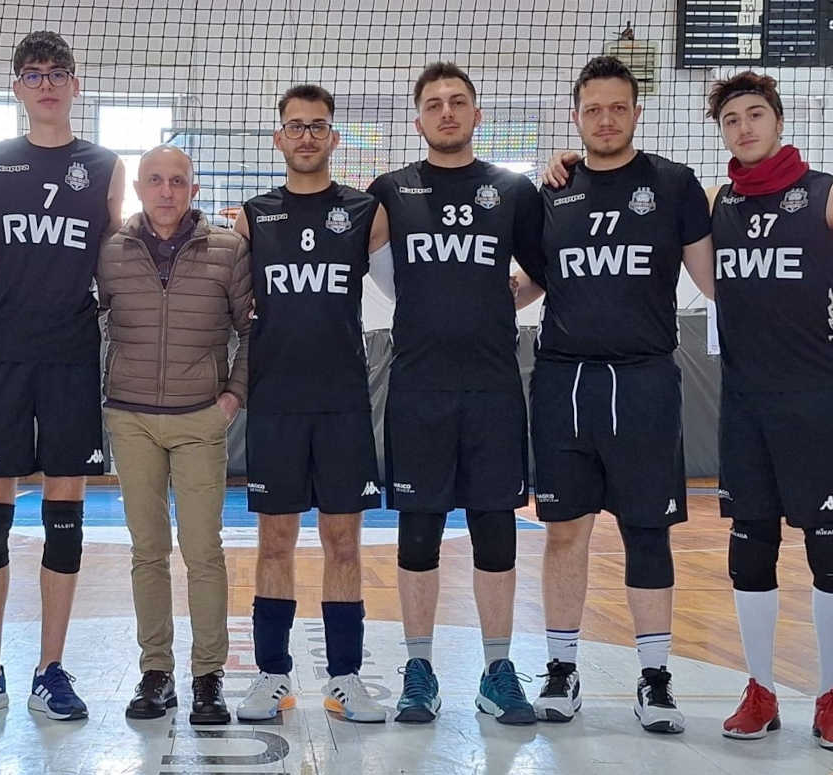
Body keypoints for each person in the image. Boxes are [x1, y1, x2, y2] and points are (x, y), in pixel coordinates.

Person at [516, 56, 714, 734]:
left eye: (617, 108)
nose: (605, 120)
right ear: (576, 116)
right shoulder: (549, 191)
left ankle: (655, 680)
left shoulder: (673, 184)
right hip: (564, 380)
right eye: (593, 109)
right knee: (564, 531)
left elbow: (720, 281)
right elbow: (534, 282)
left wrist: (814, 294)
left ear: (635, 113)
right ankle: (561, 670)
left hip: (644, 380)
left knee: (646, 530)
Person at [705, 71, 833, 752]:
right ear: (722, 132)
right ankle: (760, 691)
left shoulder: (830, 195)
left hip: (818, 400)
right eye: (731, 119)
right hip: (746, 404)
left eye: (755, 114)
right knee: (750, 552)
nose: (745, 127)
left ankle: (832, 697)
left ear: (778, 122)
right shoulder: (713, 202)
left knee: (830, 550)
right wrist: (569, 162)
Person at [0, 30, 125, 721]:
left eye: (57, 73)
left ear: (75, 85)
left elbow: (115, 263)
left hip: (72, 354)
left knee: (64, 517)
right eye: (32, 74)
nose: (46, 83)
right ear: (17, 88)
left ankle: (51, 668)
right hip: (4, 353)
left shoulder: (104, 165)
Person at [366, 61, 547, 725]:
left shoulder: (513, 190)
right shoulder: (391, 189)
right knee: (418, 533)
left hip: (494, 387)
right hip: (419, 387)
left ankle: (498, 670)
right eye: (435, 104)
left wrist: (513, 296)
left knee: (495, 530)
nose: (447, 112)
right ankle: (420, 669)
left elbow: (546, 270)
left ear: (477, 116)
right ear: (419, 121)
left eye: (458, 102)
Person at [234, 84, 390, 724]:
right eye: (294, 127)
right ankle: (272, 676)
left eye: (317, 126)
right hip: (274, 402)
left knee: (343, 542)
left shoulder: (365, 212)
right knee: (274, 542)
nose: (305, 136)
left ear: (332, 137)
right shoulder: (251, 216)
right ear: (279, 139)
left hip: (342, 404)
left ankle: (345, 677)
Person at [97, 145, 251, 725]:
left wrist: (230, 399)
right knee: (147, 551)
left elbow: (252, 330)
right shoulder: (110, 252)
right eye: (156, 180)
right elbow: (80, 316)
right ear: (139, 187)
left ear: (193, 187)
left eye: (178, 181)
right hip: (131, 419)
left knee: (204, 551)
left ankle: (208, 678)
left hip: (198, 420)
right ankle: (155, 672)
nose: (167, 190)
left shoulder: (229, 250)